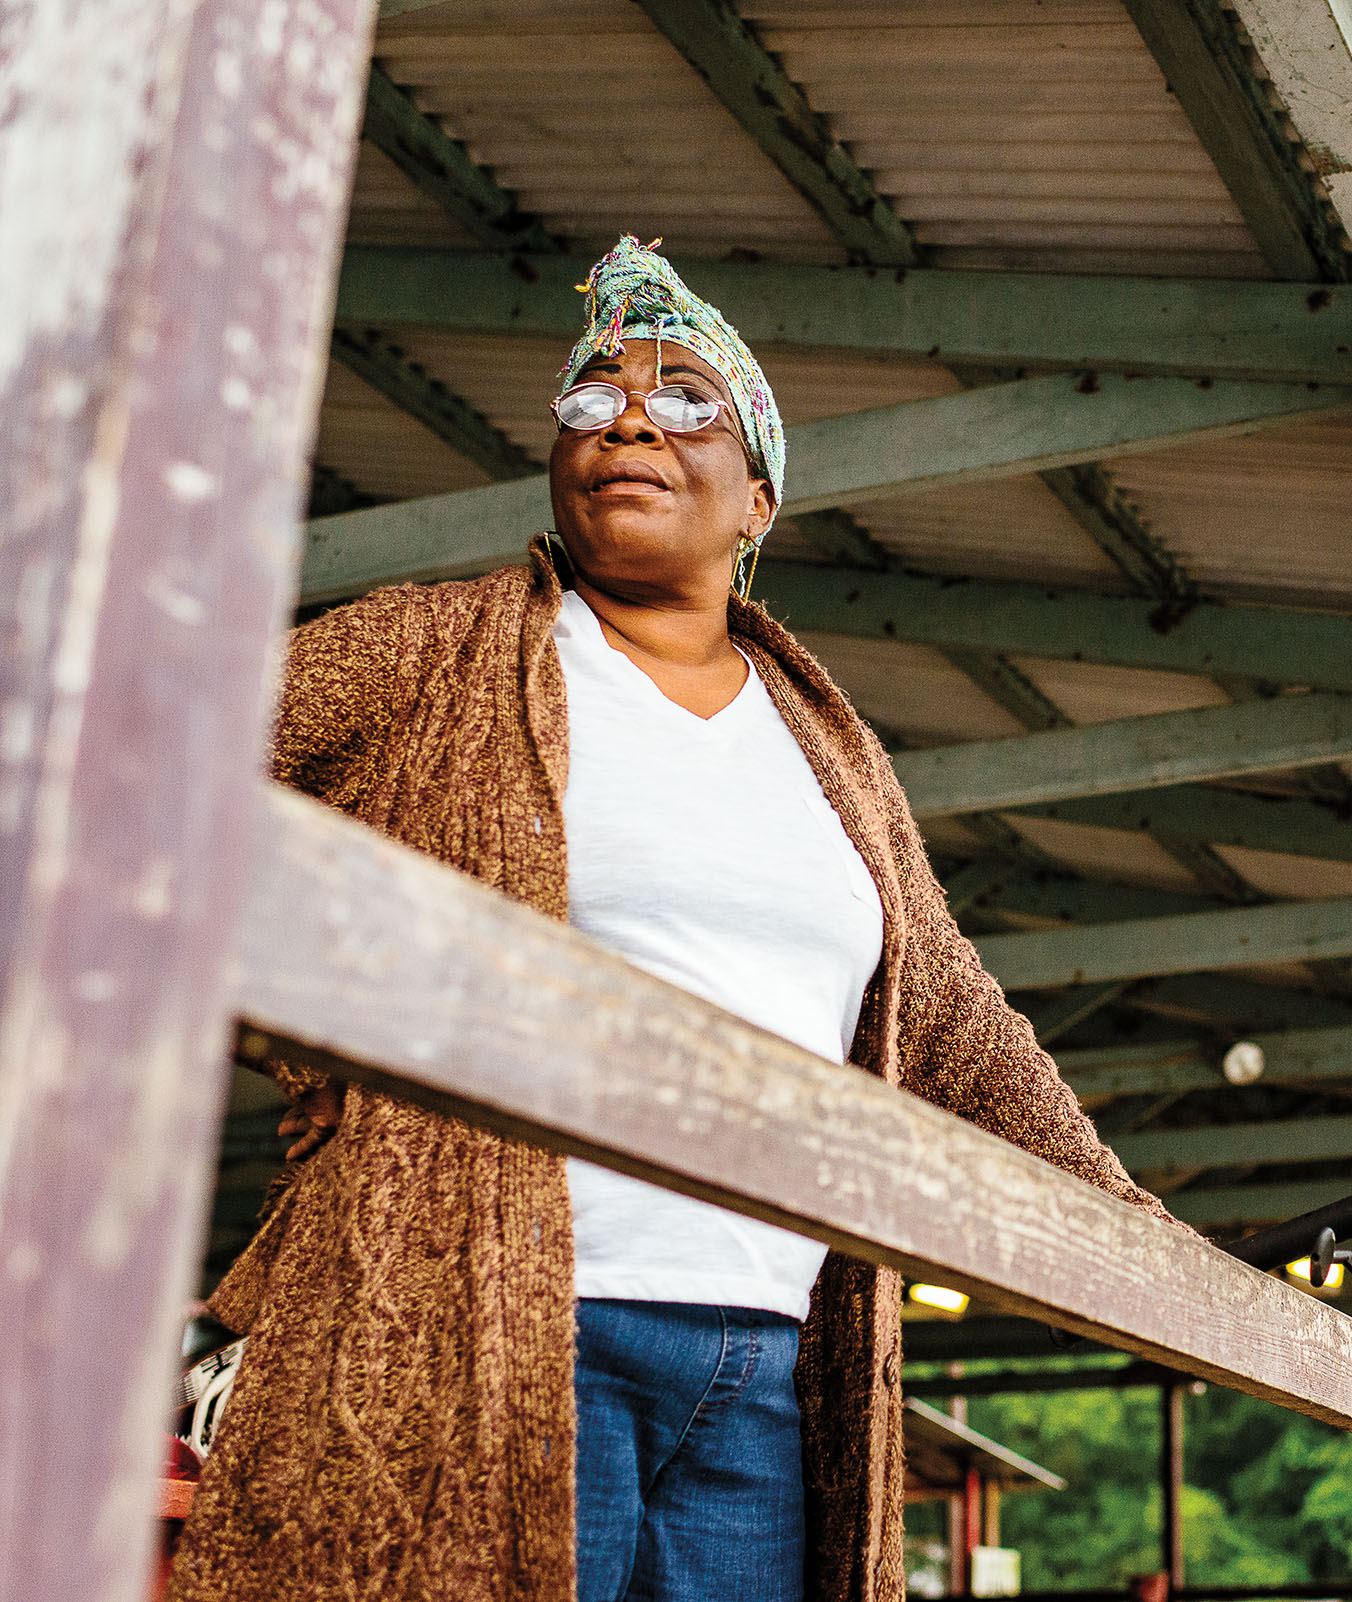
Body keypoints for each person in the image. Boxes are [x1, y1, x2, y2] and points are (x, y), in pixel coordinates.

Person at [171, 237, 1181, 1602]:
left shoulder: (834, 756)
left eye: (684, 397)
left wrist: (1135, 1231)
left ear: (756, 494)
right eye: (590, 401)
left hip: (763, 1367)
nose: (629, 418)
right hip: (482, 1332)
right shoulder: (430, 651)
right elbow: (156, 772)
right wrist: (317, 1057)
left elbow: (947, 1013)